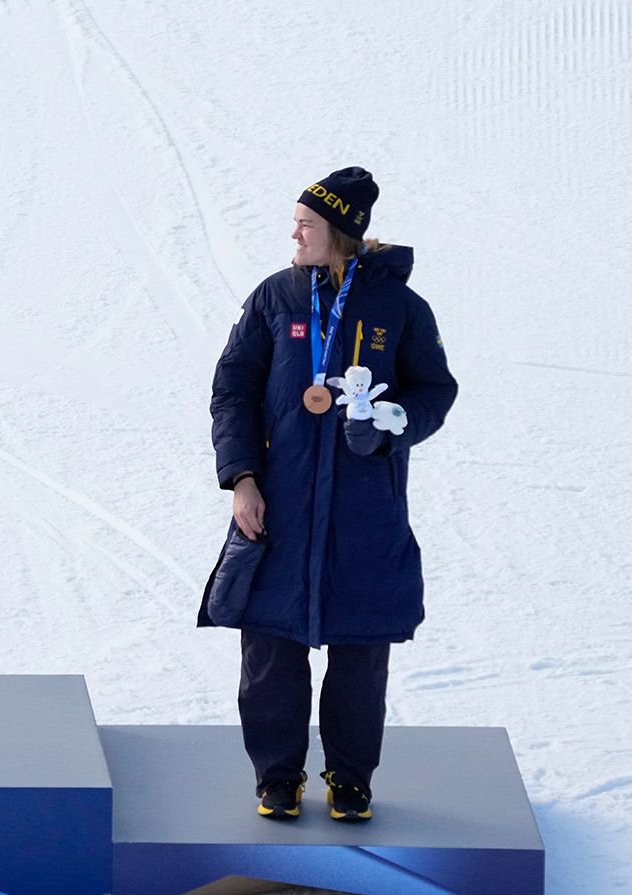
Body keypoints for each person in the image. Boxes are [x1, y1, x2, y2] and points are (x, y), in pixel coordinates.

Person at [203, 167, 458, 821]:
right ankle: (277, 776)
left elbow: (435, 390)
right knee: (269, 645)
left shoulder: (400, 309)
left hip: (363, 510)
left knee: (360, 649)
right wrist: (242, 479)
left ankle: (350, 777)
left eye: (307, 224)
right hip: (278, 504)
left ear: (342, 233)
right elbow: (232, 389)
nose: (294, 232)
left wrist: (390, 422)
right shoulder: (274, 300)